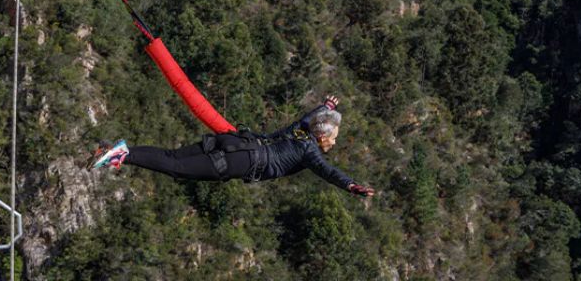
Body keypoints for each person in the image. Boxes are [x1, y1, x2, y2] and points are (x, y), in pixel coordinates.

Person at [90, 96, 375, 197]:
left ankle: (121, 151)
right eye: (334, 136)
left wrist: (324, 107)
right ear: (322, 136)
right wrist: (350, 186)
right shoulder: (309, 150)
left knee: (173, 156)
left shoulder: (299, 131)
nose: (334, 141)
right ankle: (121, 155)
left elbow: (306, 118)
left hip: (238, 140)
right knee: (177, 168)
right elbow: (328, 172)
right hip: (242, 161)